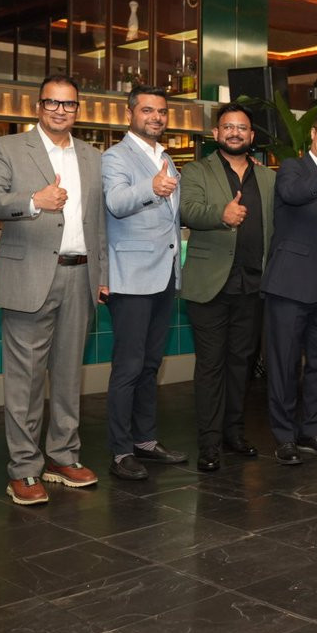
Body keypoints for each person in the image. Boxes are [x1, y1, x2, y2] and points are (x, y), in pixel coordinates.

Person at [0, 74, 107, 505]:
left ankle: (63, 457)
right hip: (28, 277)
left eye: (68, 104)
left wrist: (102, 273)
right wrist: (34, 201)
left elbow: (97, 222)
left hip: (80, 276)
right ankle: (24, 468)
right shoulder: (8, 148)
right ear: (38, 106)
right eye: (52, 102)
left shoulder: (92, 156)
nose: (60, 110)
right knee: (26, 381)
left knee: (68, 376)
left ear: (77, 110)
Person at [179, 102, 275, 472]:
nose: (235, 133)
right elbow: (187, 210)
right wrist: (220, 215)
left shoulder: (267, 178)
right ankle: (209, 443)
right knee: (211, 366)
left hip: (253, 286)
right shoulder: (196, 170)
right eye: (228, 127)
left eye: (242, 128)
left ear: (251, 135)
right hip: (210, 285)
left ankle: (234, 433)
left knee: (241, 364)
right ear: (216, 133)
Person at [102, 86, 186, 481]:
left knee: (151, 364)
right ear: (131, 113)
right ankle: (121, 451)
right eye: (148, 110)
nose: (156, 117)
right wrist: (150, 188)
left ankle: (145, 441)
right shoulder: (115, 157)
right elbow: (116, 202)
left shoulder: (166, 157)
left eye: (162, 111)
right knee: (129, 367)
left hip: (165, 273)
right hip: (131, 275)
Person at [260, 111, 317, 466]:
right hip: (291, 285)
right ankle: (284, 437)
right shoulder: (293, 168)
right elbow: (292, 193)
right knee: (284, 364)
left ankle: (312, 432)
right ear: (313, 134)